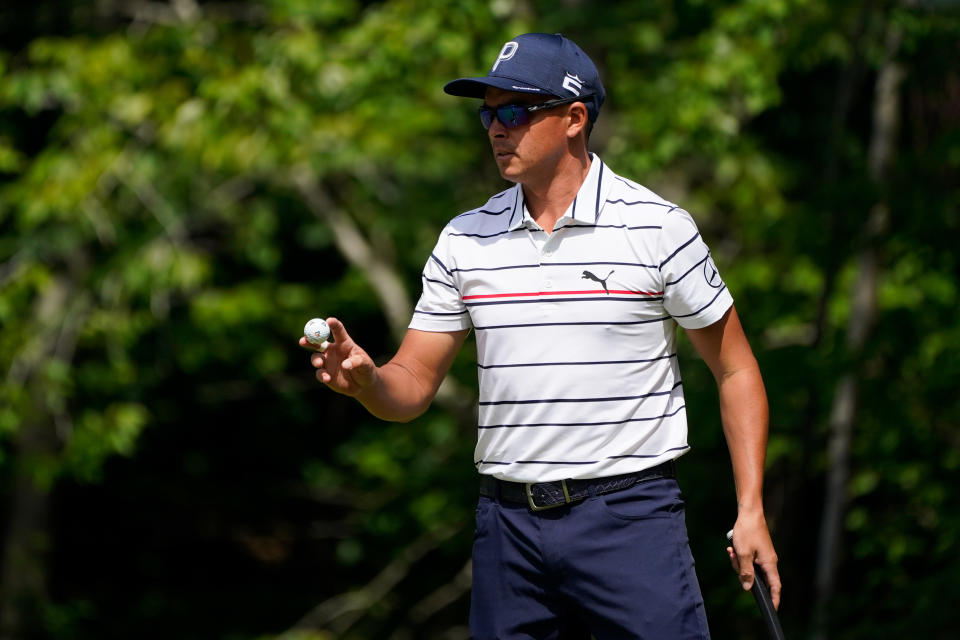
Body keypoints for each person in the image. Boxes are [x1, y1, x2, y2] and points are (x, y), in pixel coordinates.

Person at [300, 32, 780, 640]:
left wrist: (751, 509)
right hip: (507, 530)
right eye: (488, 114)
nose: (496, 128)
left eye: (515, 112)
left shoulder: (659, 228)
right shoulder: (464, 239)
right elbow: (413, 384)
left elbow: (736, 370)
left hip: (629, 521)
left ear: (575, 118)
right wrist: (368, 382)